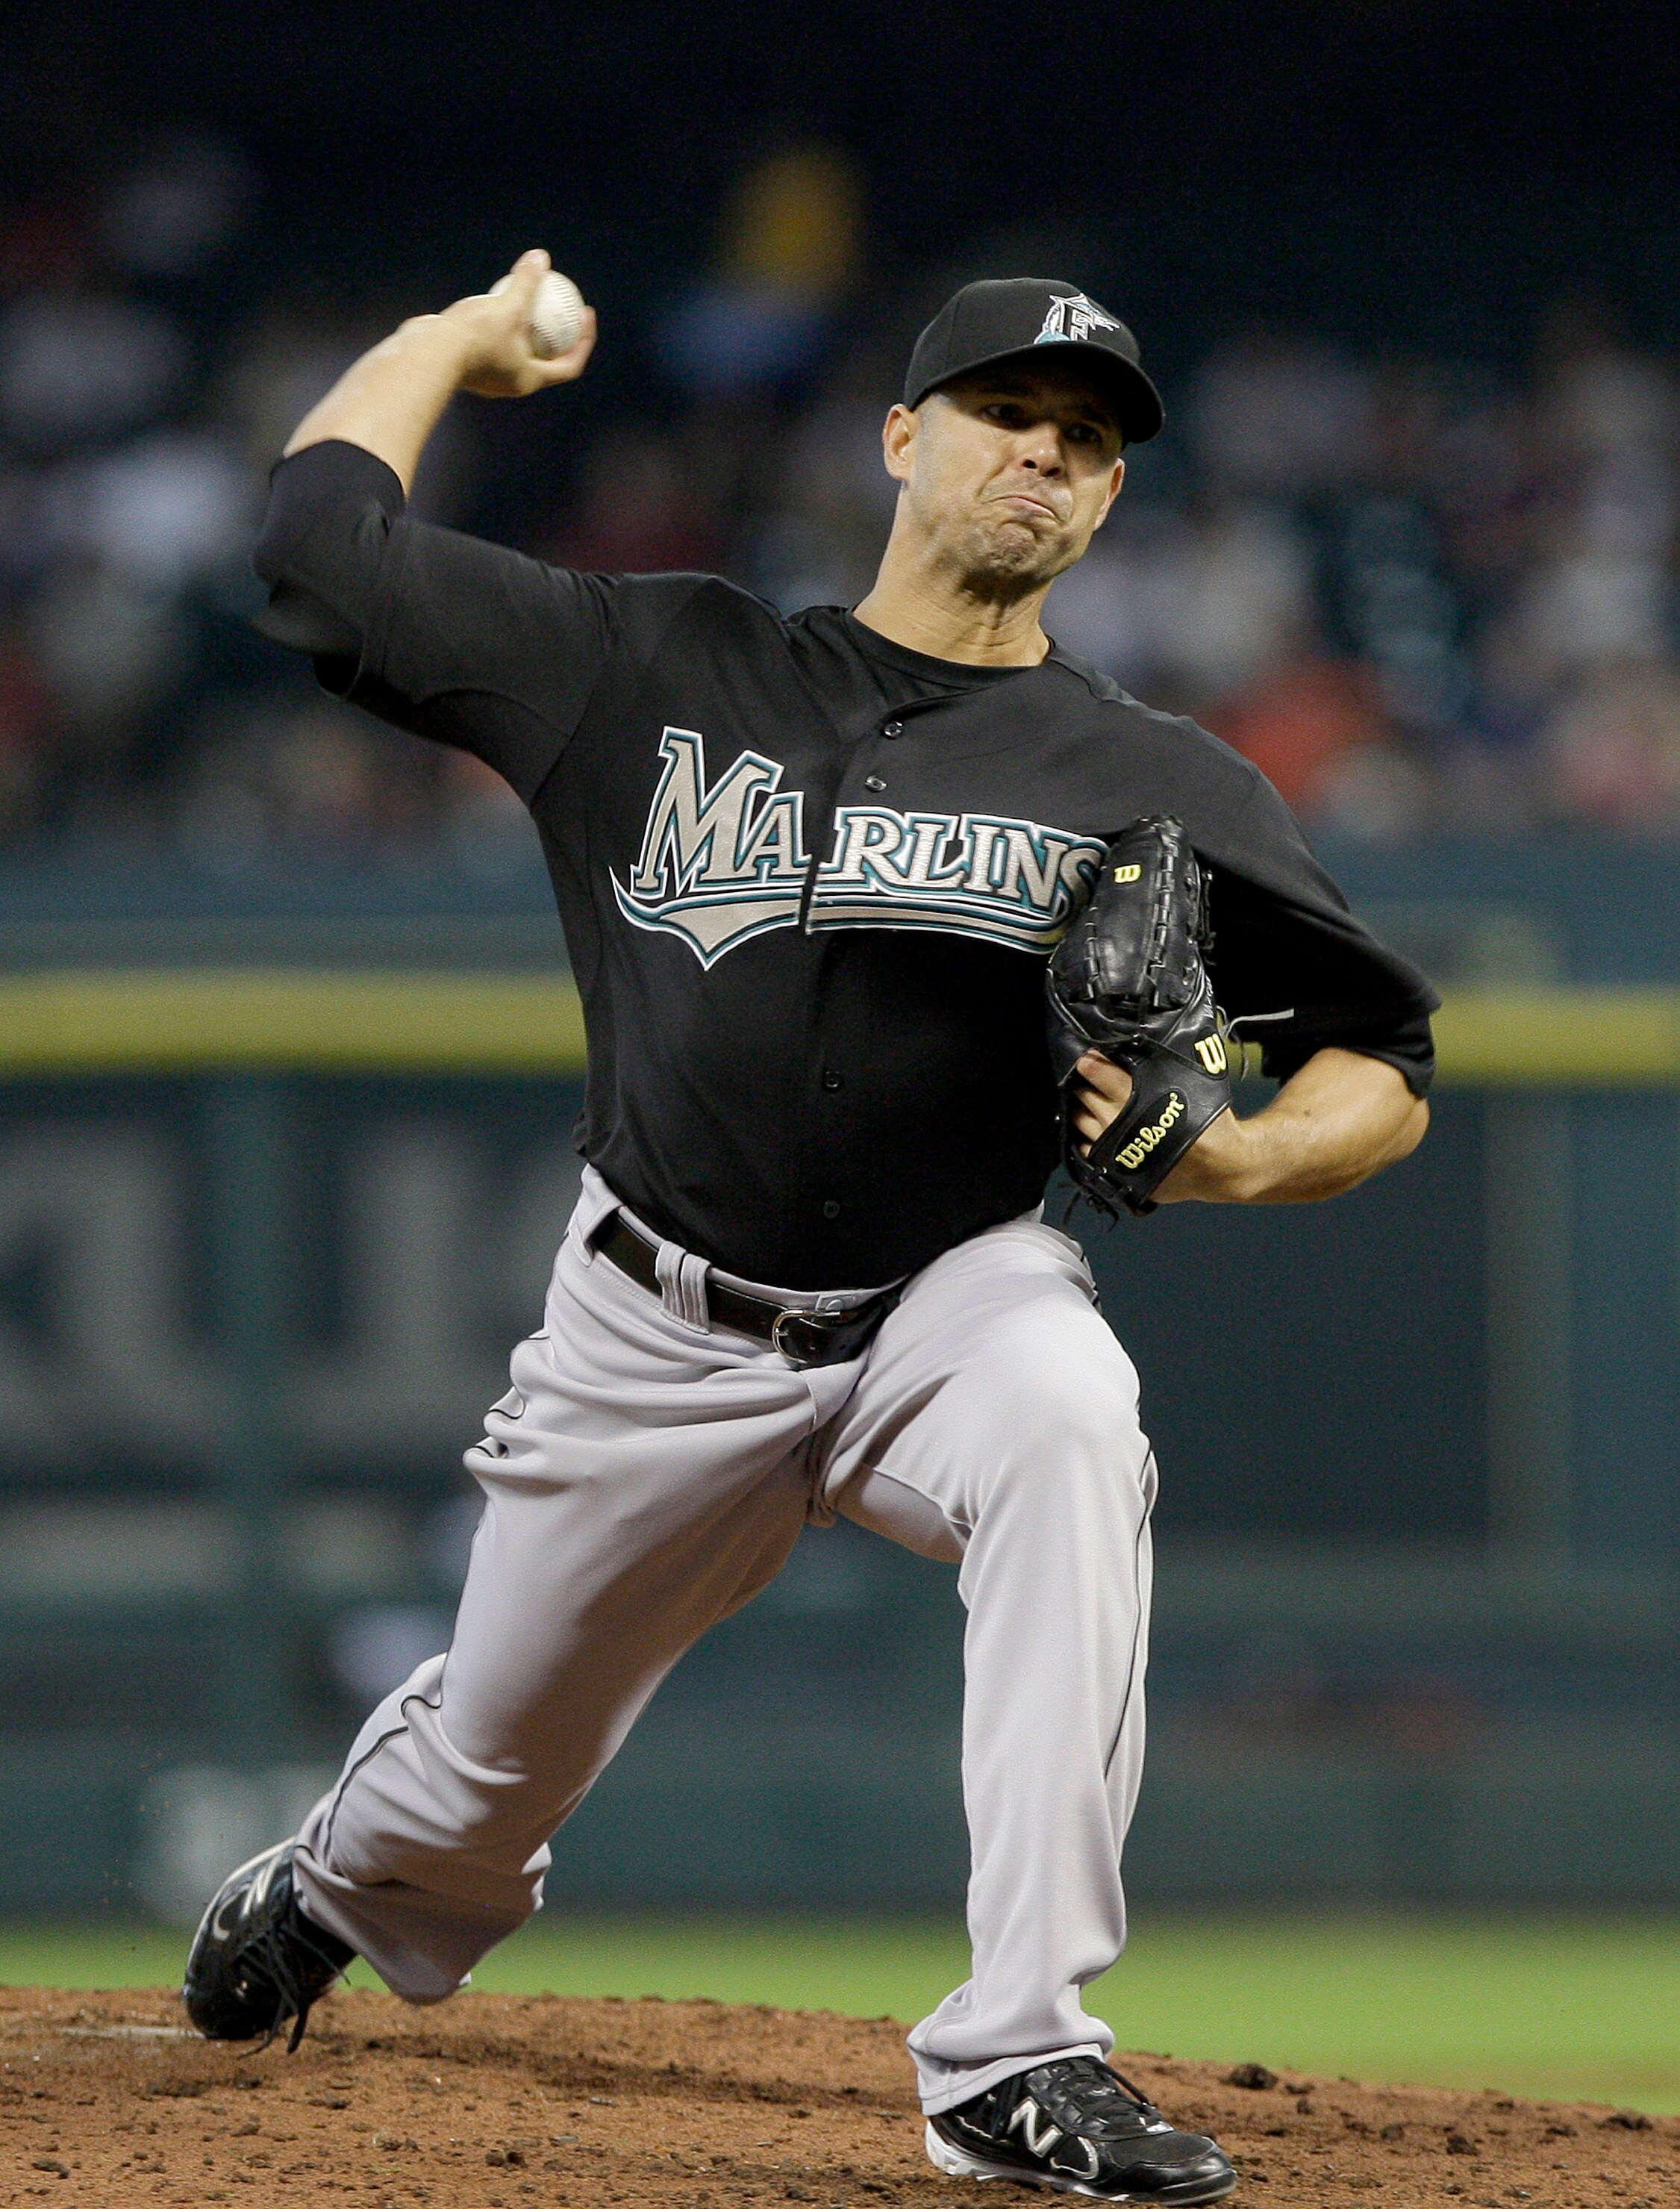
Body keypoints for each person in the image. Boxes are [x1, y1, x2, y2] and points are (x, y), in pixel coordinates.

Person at [183, 256, 1434, 2204]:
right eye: (1012, 414)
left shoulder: (1150, 780)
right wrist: (451, 341)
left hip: (948, 1290)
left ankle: (1019, 2050)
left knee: (1068, 1414)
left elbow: (1384, 1053)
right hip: (651, 1329)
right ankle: (346, 1874)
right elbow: (320, 545)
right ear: (898, 437)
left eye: (1089, 442)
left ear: (1108, 504)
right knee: (481, 1788)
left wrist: (1253, 1154)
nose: (1047, 455)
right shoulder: (654, 665)